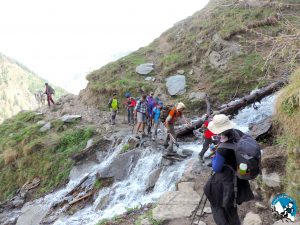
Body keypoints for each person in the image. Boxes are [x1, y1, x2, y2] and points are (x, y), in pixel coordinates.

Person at [204, 114, 254, 225]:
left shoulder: (222, 150)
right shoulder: (237, 133)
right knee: (231, 207)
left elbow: (216, 168)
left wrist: (214, 157)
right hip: (238, 176)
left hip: (226, 180)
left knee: (218, 205)